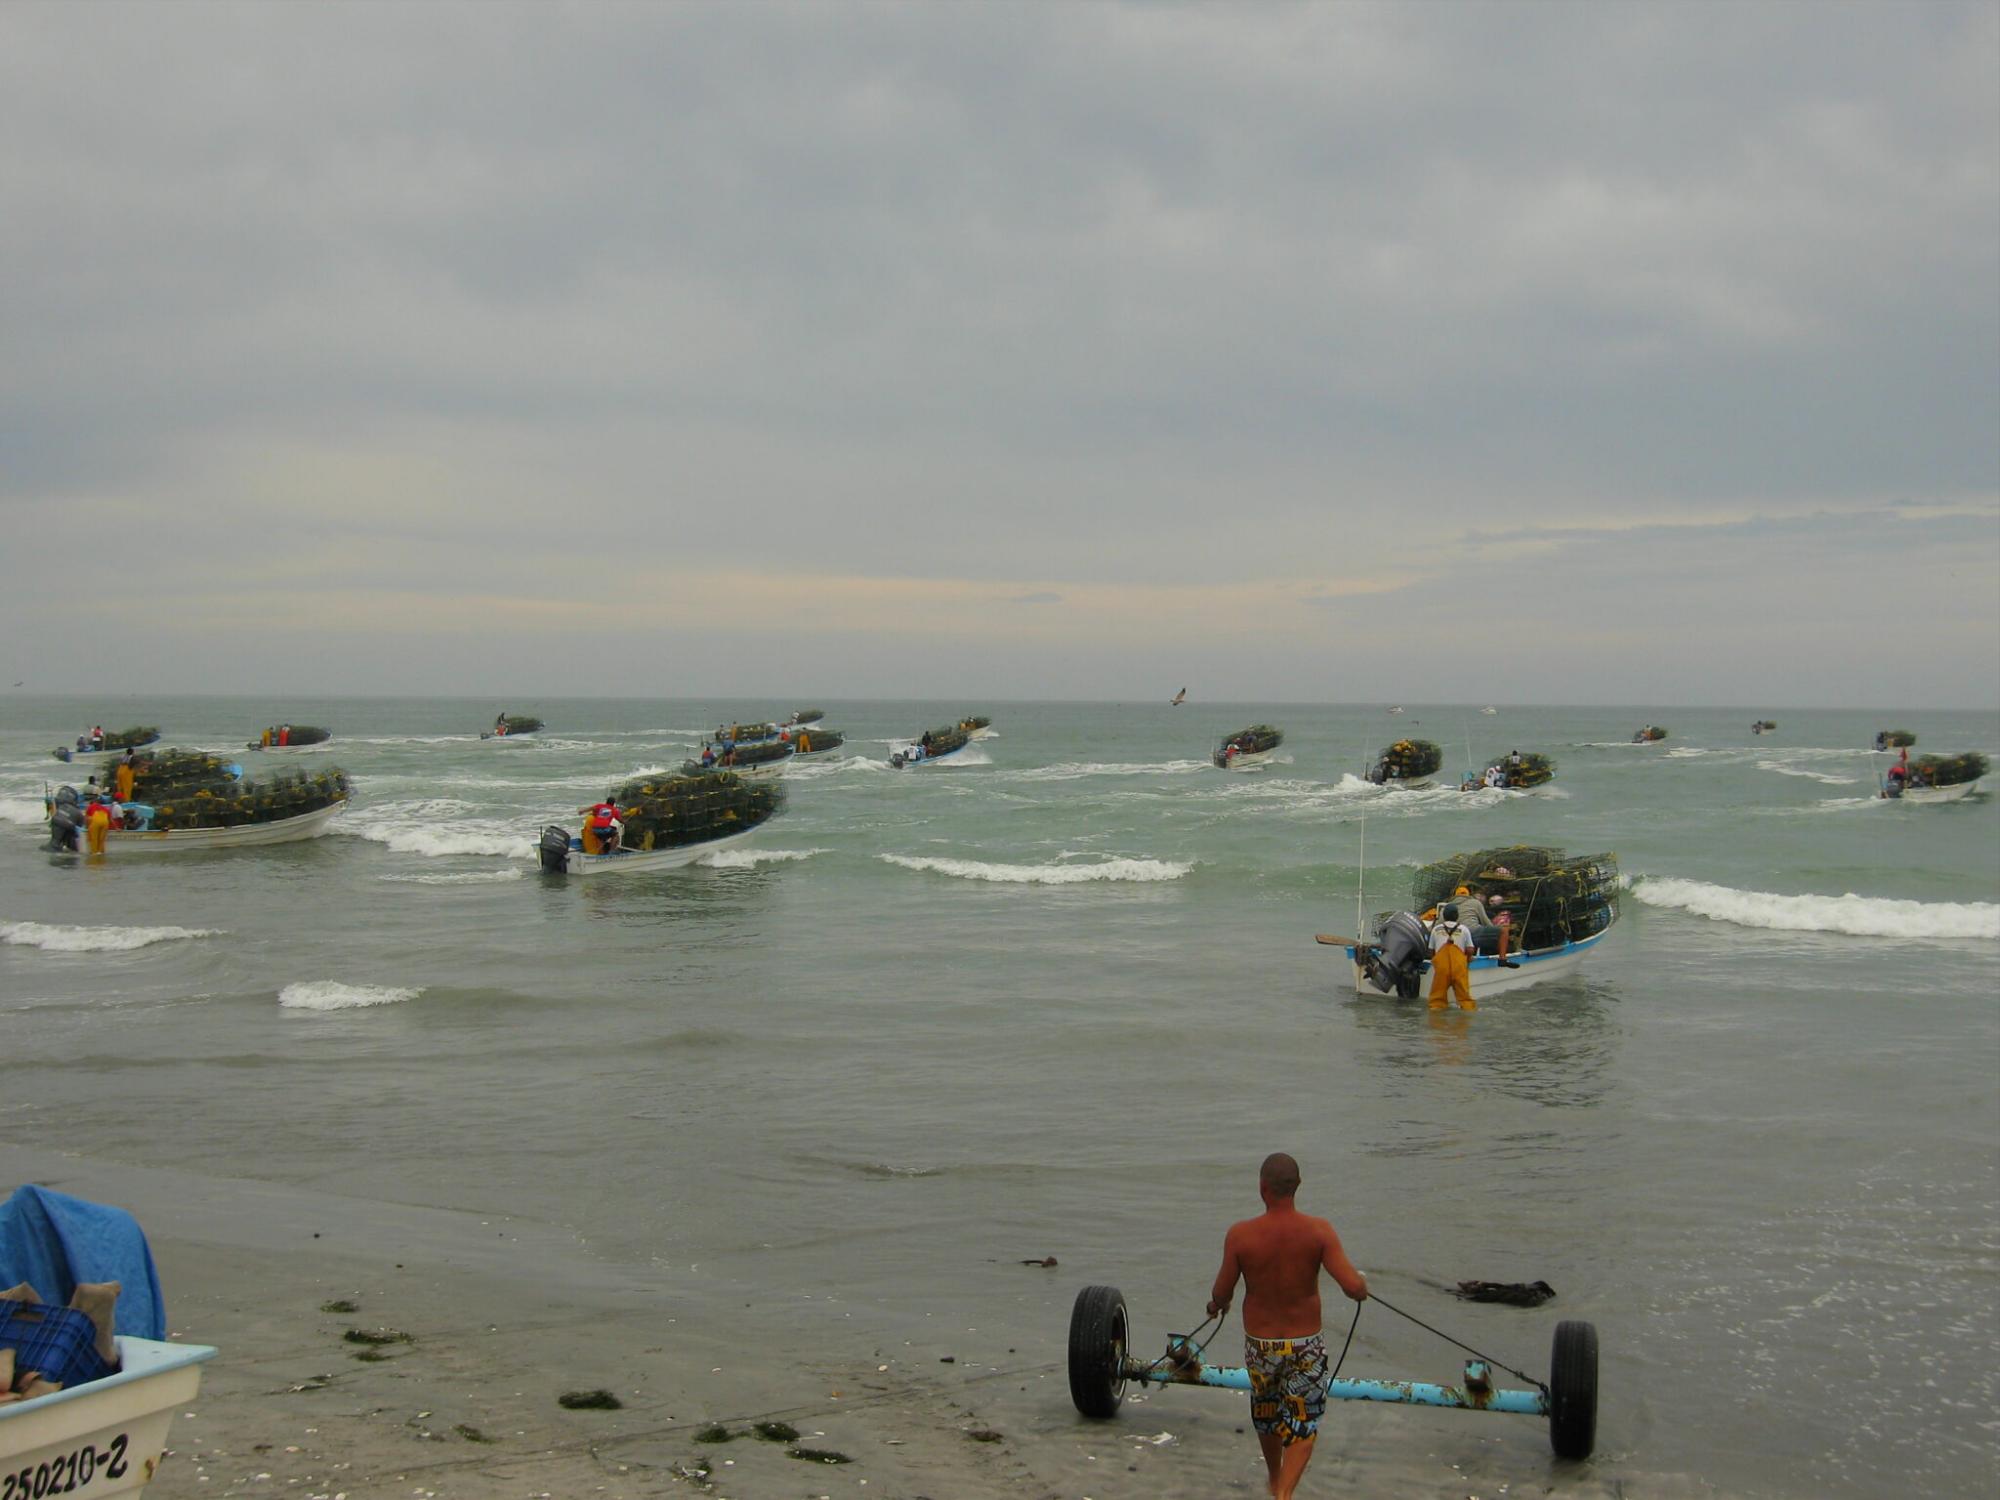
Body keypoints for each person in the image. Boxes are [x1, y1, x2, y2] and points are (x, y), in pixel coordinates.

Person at [1206, 1152, 1367, 1500]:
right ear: (1298, 1187)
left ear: (1262, 1189)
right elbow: (1353, 1287)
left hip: (1260, 1344)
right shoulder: (1319, 1231)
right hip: (1304, 1345)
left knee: (1267, 1412)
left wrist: (1216, 1306)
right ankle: (1284, 1494)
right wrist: (1362, 1289)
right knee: (1303, 1421)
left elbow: (1221, 1292)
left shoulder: (1240, 1235)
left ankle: (1275, 1478)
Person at [1428, 902, 1477, 1010]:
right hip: (1459, 967)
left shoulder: (1436, 929)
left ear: (1444, 916)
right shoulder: (1464, 929)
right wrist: (1468, 959)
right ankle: (1466, 1015)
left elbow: (1431, 950)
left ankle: (1436, 1018)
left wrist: (1435, 961)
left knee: (1437, 1000)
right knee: (1464, 998)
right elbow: (1470, 949)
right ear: (1457, 916)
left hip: (1441, 968)